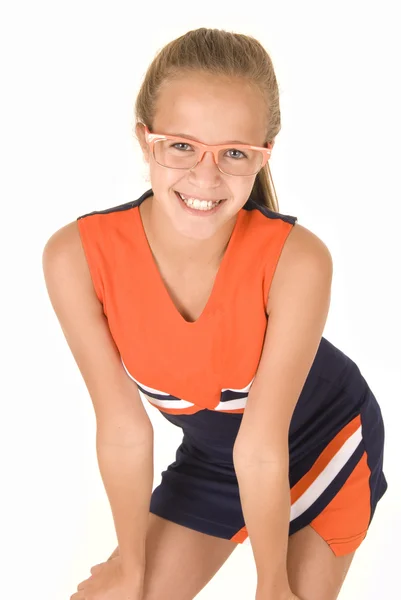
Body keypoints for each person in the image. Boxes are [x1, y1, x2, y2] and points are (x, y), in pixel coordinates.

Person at [42, 28, 387, 600]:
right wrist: (131, 569)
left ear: (264, 155)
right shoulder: (76, 257)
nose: (206, 177)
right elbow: (124, 429)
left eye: (233, 153)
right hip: (216, 459)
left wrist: (271, 583)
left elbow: (261, 443)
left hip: (326, 441)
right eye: (181, 145)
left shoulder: (297, 261)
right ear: (144, 139)